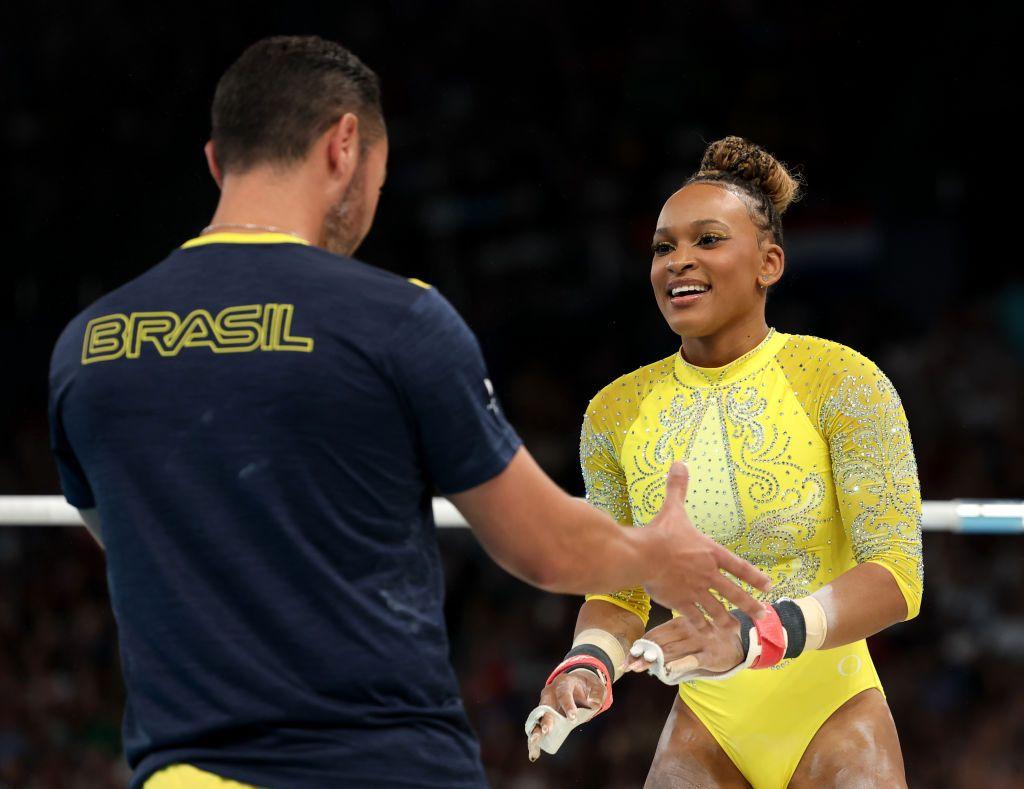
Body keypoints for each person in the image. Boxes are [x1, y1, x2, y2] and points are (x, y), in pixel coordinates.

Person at [47, 38, 771, 789]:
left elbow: (130, 541)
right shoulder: (395, 320)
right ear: (345, 145)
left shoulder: (85, 348)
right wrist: (655, 556)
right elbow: (542, 545)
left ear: (214, 162)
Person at [527, 136, 923, 788]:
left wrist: (759, 634)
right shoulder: (614, 412)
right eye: (663, 246)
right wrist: (586, 665)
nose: (678, 260)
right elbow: (618, 590)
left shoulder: (841, 380)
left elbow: (896, 575)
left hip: (831, 708)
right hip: (708, 722)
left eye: (707, 240)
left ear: (769, 262)